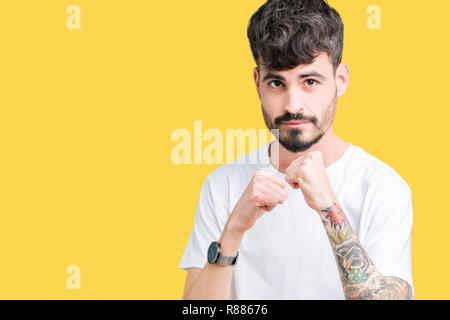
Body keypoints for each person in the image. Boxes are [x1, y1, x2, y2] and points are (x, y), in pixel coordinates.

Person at [179, 0, 414, 300]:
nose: (292, 105)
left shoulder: (383, 188)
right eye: (277, 82)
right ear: (257, 83)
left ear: (340, 80)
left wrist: (329, 205)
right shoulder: (222, 184)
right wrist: (234, 230)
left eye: (310, 81)